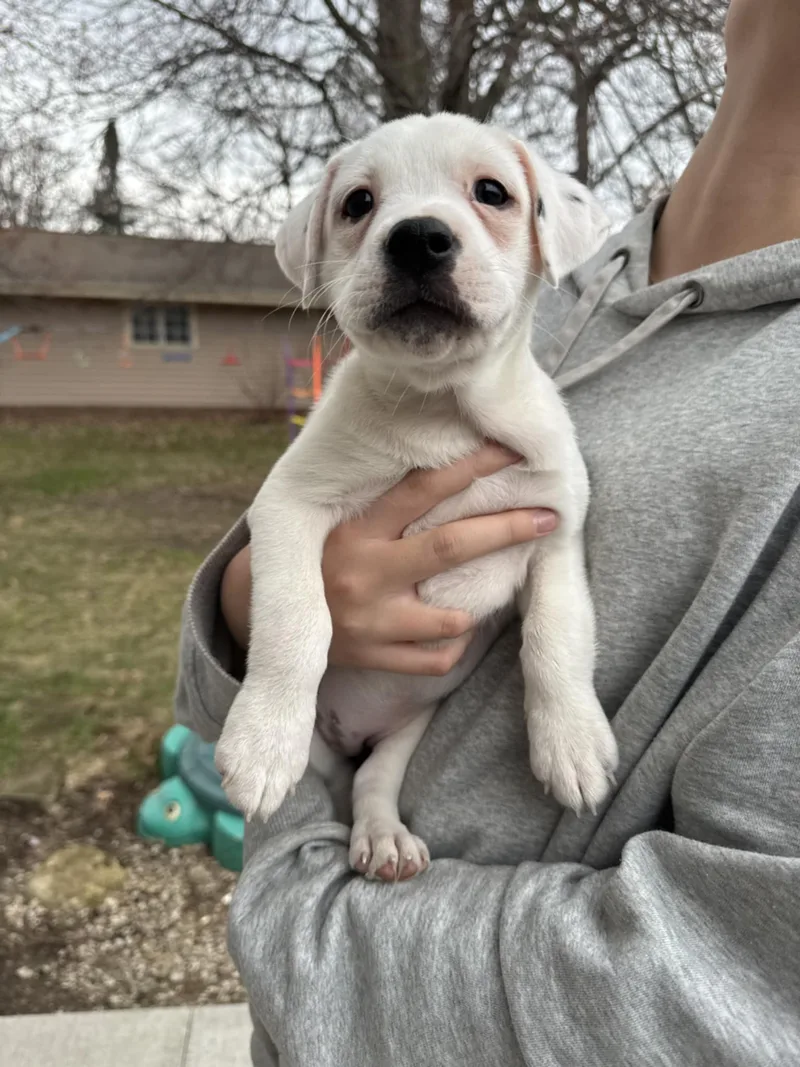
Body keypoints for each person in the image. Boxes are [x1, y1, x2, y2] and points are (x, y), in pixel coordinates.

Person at [175, 0, 800, 1062]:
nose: (416, 232)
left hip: (363, 957)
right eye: (362, 207)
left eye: (485, 198)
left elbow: (735, 988)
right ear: (320, 258)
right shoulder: (575, 290)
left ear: (534, 230)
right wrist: (255, 626)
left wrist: (294, 905)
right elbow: (282, 528)